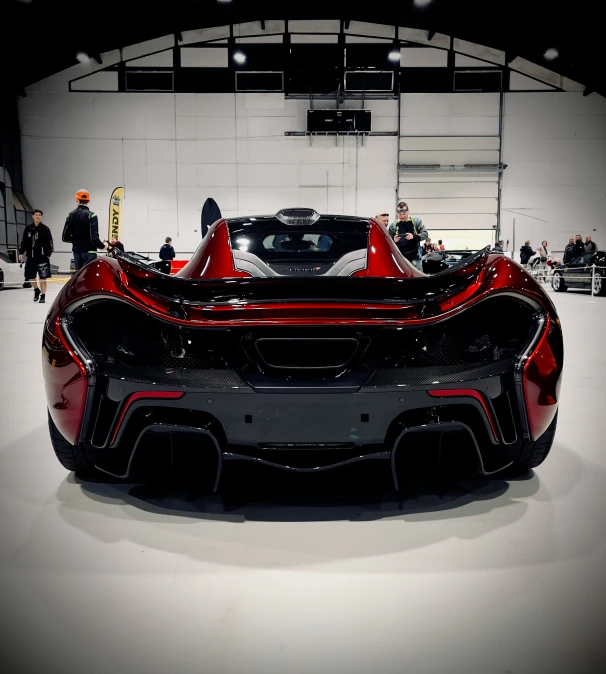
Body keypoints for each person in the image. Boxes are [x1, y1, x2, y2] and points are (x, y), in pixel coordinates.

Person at [62, 189, 106, 270]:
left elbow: (65, 237)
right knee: (89, 278)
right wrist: (103, 246)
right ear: (88, 201)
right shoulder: (92, 216)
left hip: (76, 251)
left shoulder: (70, 215)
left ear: (76, 200)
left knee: (80, 277)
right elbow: (94, 238)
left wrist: (77, 239)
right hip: (90, 252)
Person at [18, 208, 53, 304]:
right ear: (33, 216)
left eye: (40, 215)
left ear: (41, 217)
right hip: (31, 257)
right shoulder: (28, 229)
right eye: (36, 215)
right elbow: (24, 242)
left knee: (43, 277)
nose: (38, 216)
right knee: (30, 276)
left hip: (42, 257)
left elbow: (50, 242)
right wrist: (21, 252)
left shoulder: (45, 229)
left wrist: (48, 253)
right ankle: (36, 290)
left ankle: (43, 295)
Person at [388, 201, 428, 271]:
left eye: (404, 214)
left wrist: (414, 237)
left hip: (415, 258)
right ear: (397, 213)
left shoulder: (416, 222)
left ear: (408, 211)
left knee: (418, 279)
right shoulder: (393, 226)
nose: (402, 216)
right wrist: (393, 240)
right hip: (400, 259)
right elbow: (388, 240)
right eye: (400, 214)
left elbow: (425, 233)